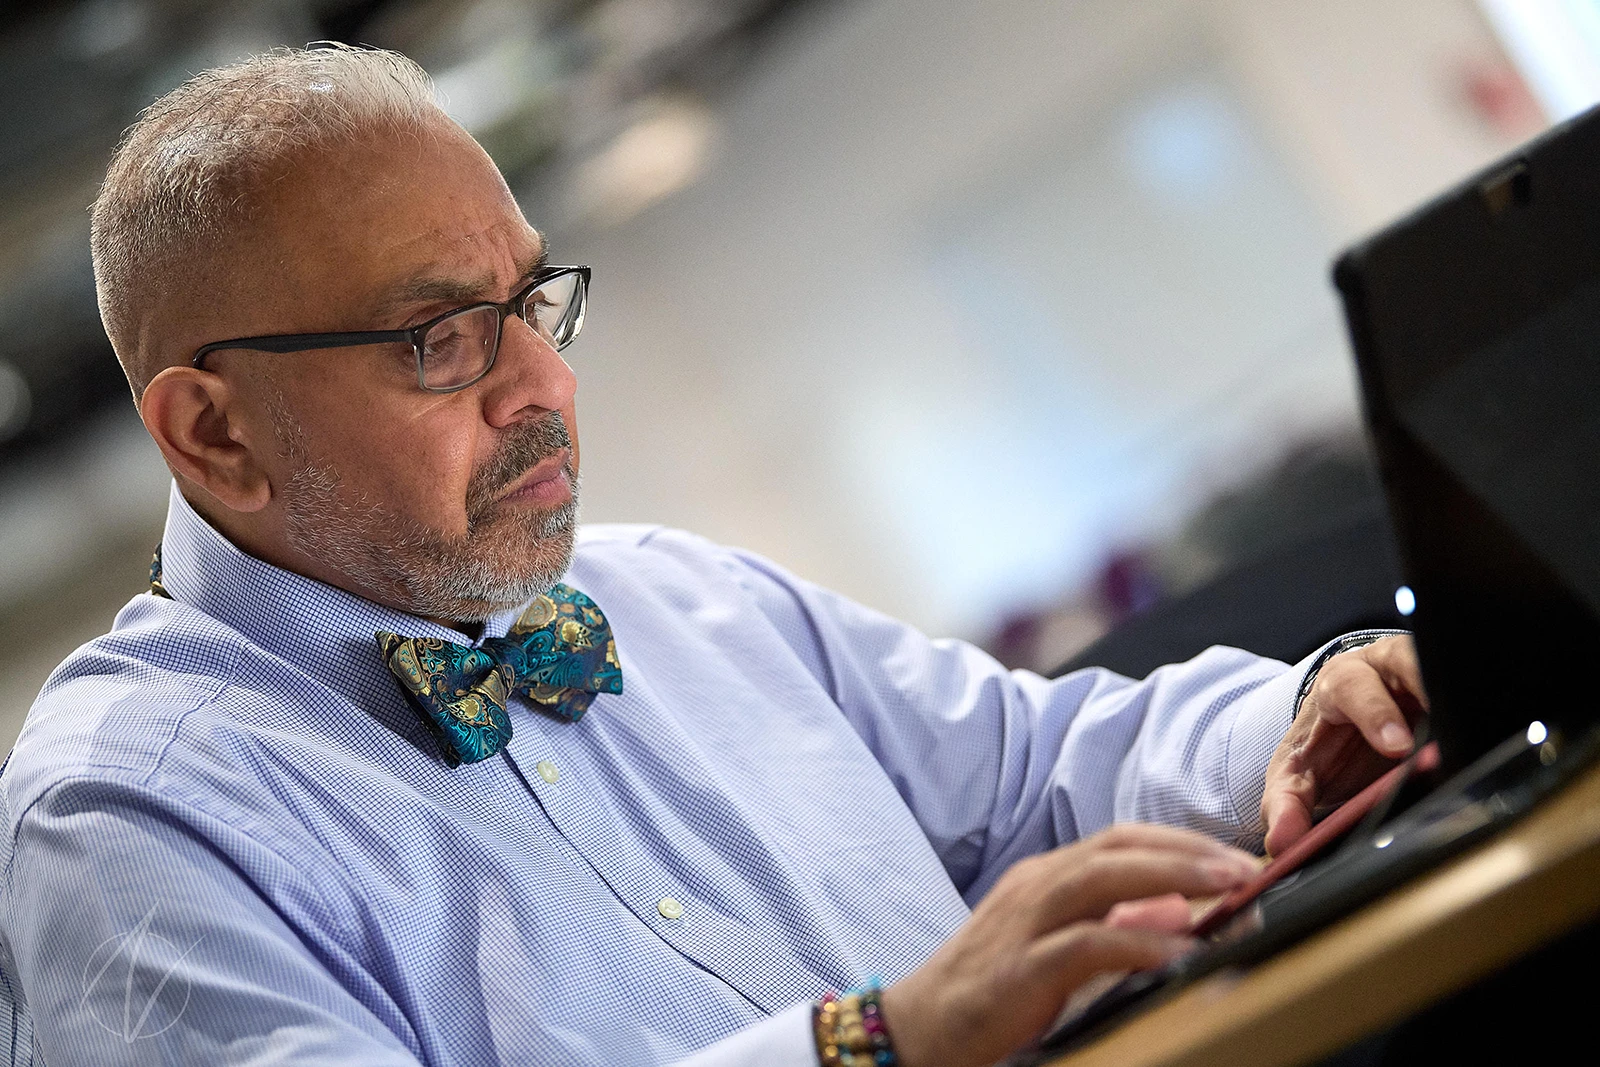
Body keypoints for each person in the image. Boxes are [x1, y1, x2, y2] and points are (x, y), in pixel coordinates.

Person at [0, 44, 1428, 1067]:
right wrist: (875, 1043)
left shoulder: (682, 595)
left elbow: (1042, 771)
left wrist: (1301, 716)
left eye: (532, 300)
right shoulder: (122, 818)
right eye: (439, 337)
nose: (541, 386)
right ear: (215, 433)